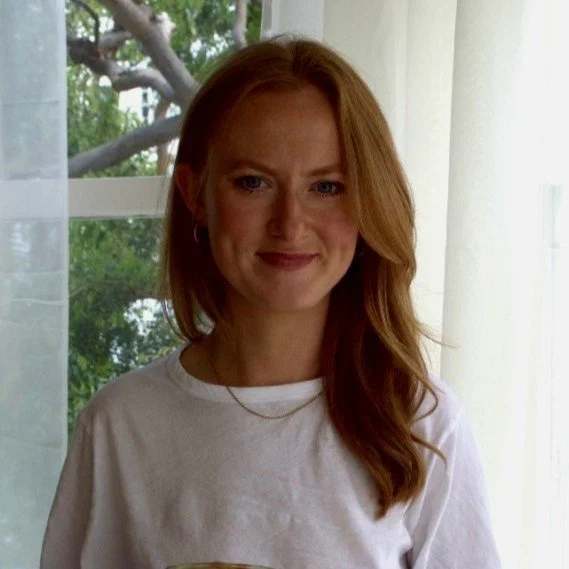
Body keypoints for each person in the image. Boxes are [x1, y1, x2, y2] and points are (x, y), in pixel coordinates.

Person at [40, 37, 502, 569]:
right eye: (253, 182)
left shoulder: (424, 426)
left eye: (326, 187)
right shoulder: (120, 425)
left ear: (368, 201)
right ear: (195, 194)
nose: (289, 223)